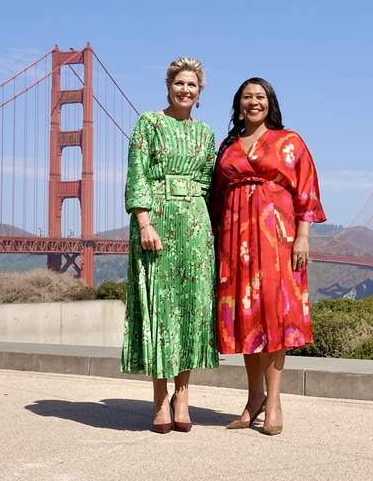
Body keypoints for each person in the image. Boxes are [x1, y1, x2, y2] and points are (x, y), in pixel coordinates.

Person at [212, 77, 326, 435]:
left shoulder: (290, 142)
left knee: (275, 318)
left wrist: (302, 238)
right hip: (235, 243)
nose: (253, 102)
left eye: (260, 97)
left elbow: (306, 192)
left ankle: (274, 402)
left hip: (278, 240)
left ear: (270, 102)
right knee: (248, 318)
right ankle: (253, 398)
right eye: (247, 97)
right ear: (238, 104)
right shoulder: (227, 146)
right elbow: (215, 199)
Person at [122, 57, 217, 434]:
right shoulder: (149, 123)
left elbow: (209, 183)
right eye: (179, 83)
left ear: (200, 92)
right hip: (157, 220)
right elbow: (137, 173)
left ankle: (183, 395)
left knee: (190, 307)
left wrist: (206, 226)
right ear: (168, 86)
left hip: (194, 224)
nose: (185, 90)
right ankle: (160, 399)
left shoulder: (206, 133)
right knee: (160, 308)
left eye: (192, 85)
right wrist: (144, 220)